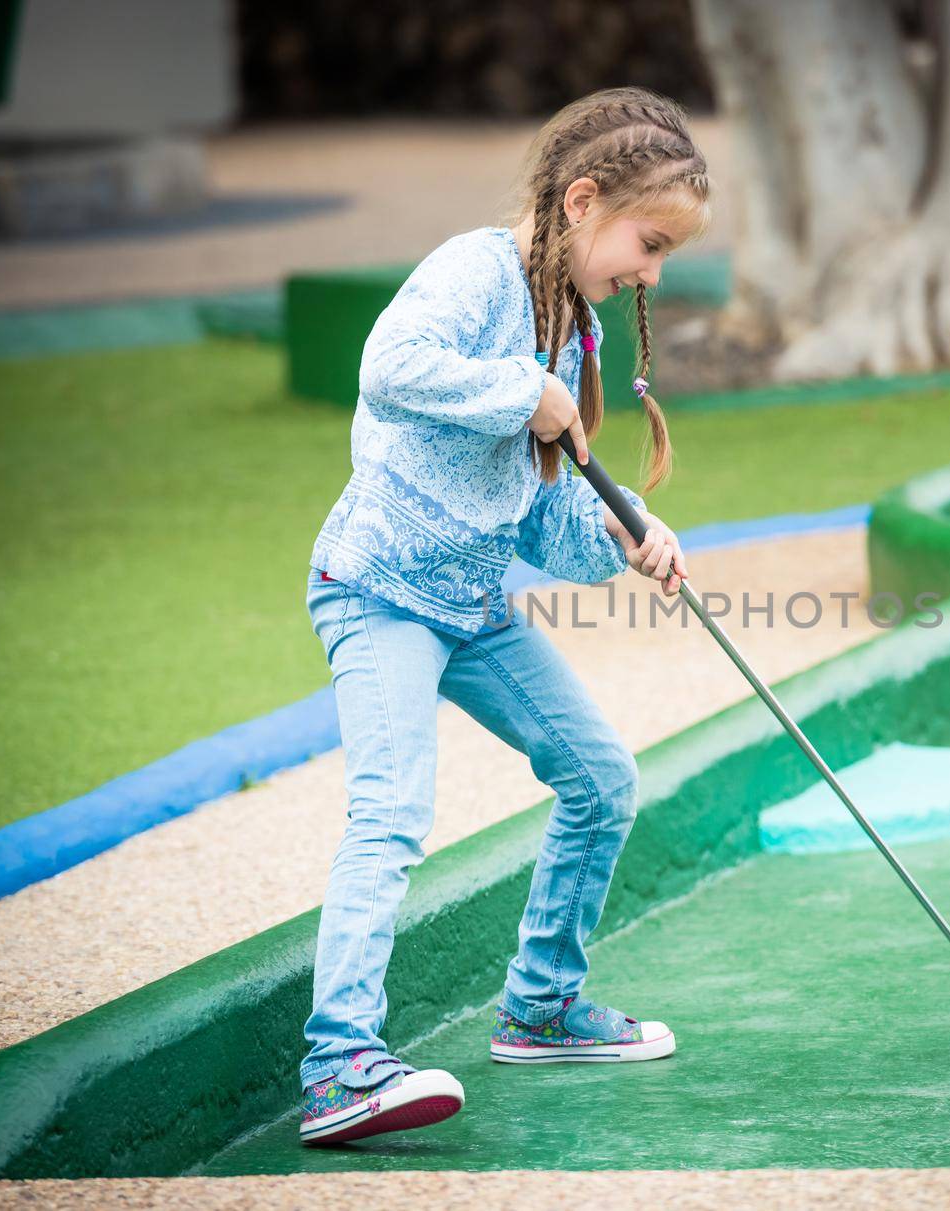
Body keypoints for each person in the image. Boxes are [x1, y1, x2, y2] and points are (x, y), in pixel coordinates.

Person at [297, 86, 712, 1146]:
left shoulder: (572, 335)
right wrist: (519, 392)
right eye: (648, 242)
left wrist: (622, 535)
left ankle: (539, 1007)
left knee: (601, 777)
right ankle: (340, 1062)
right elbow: (387, 368)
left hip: (473, 602)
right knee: (391, 808)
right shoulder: (474, 271)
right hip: (379, 588)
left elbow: (541, 524)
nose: (651, 274)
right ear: (582, 201)